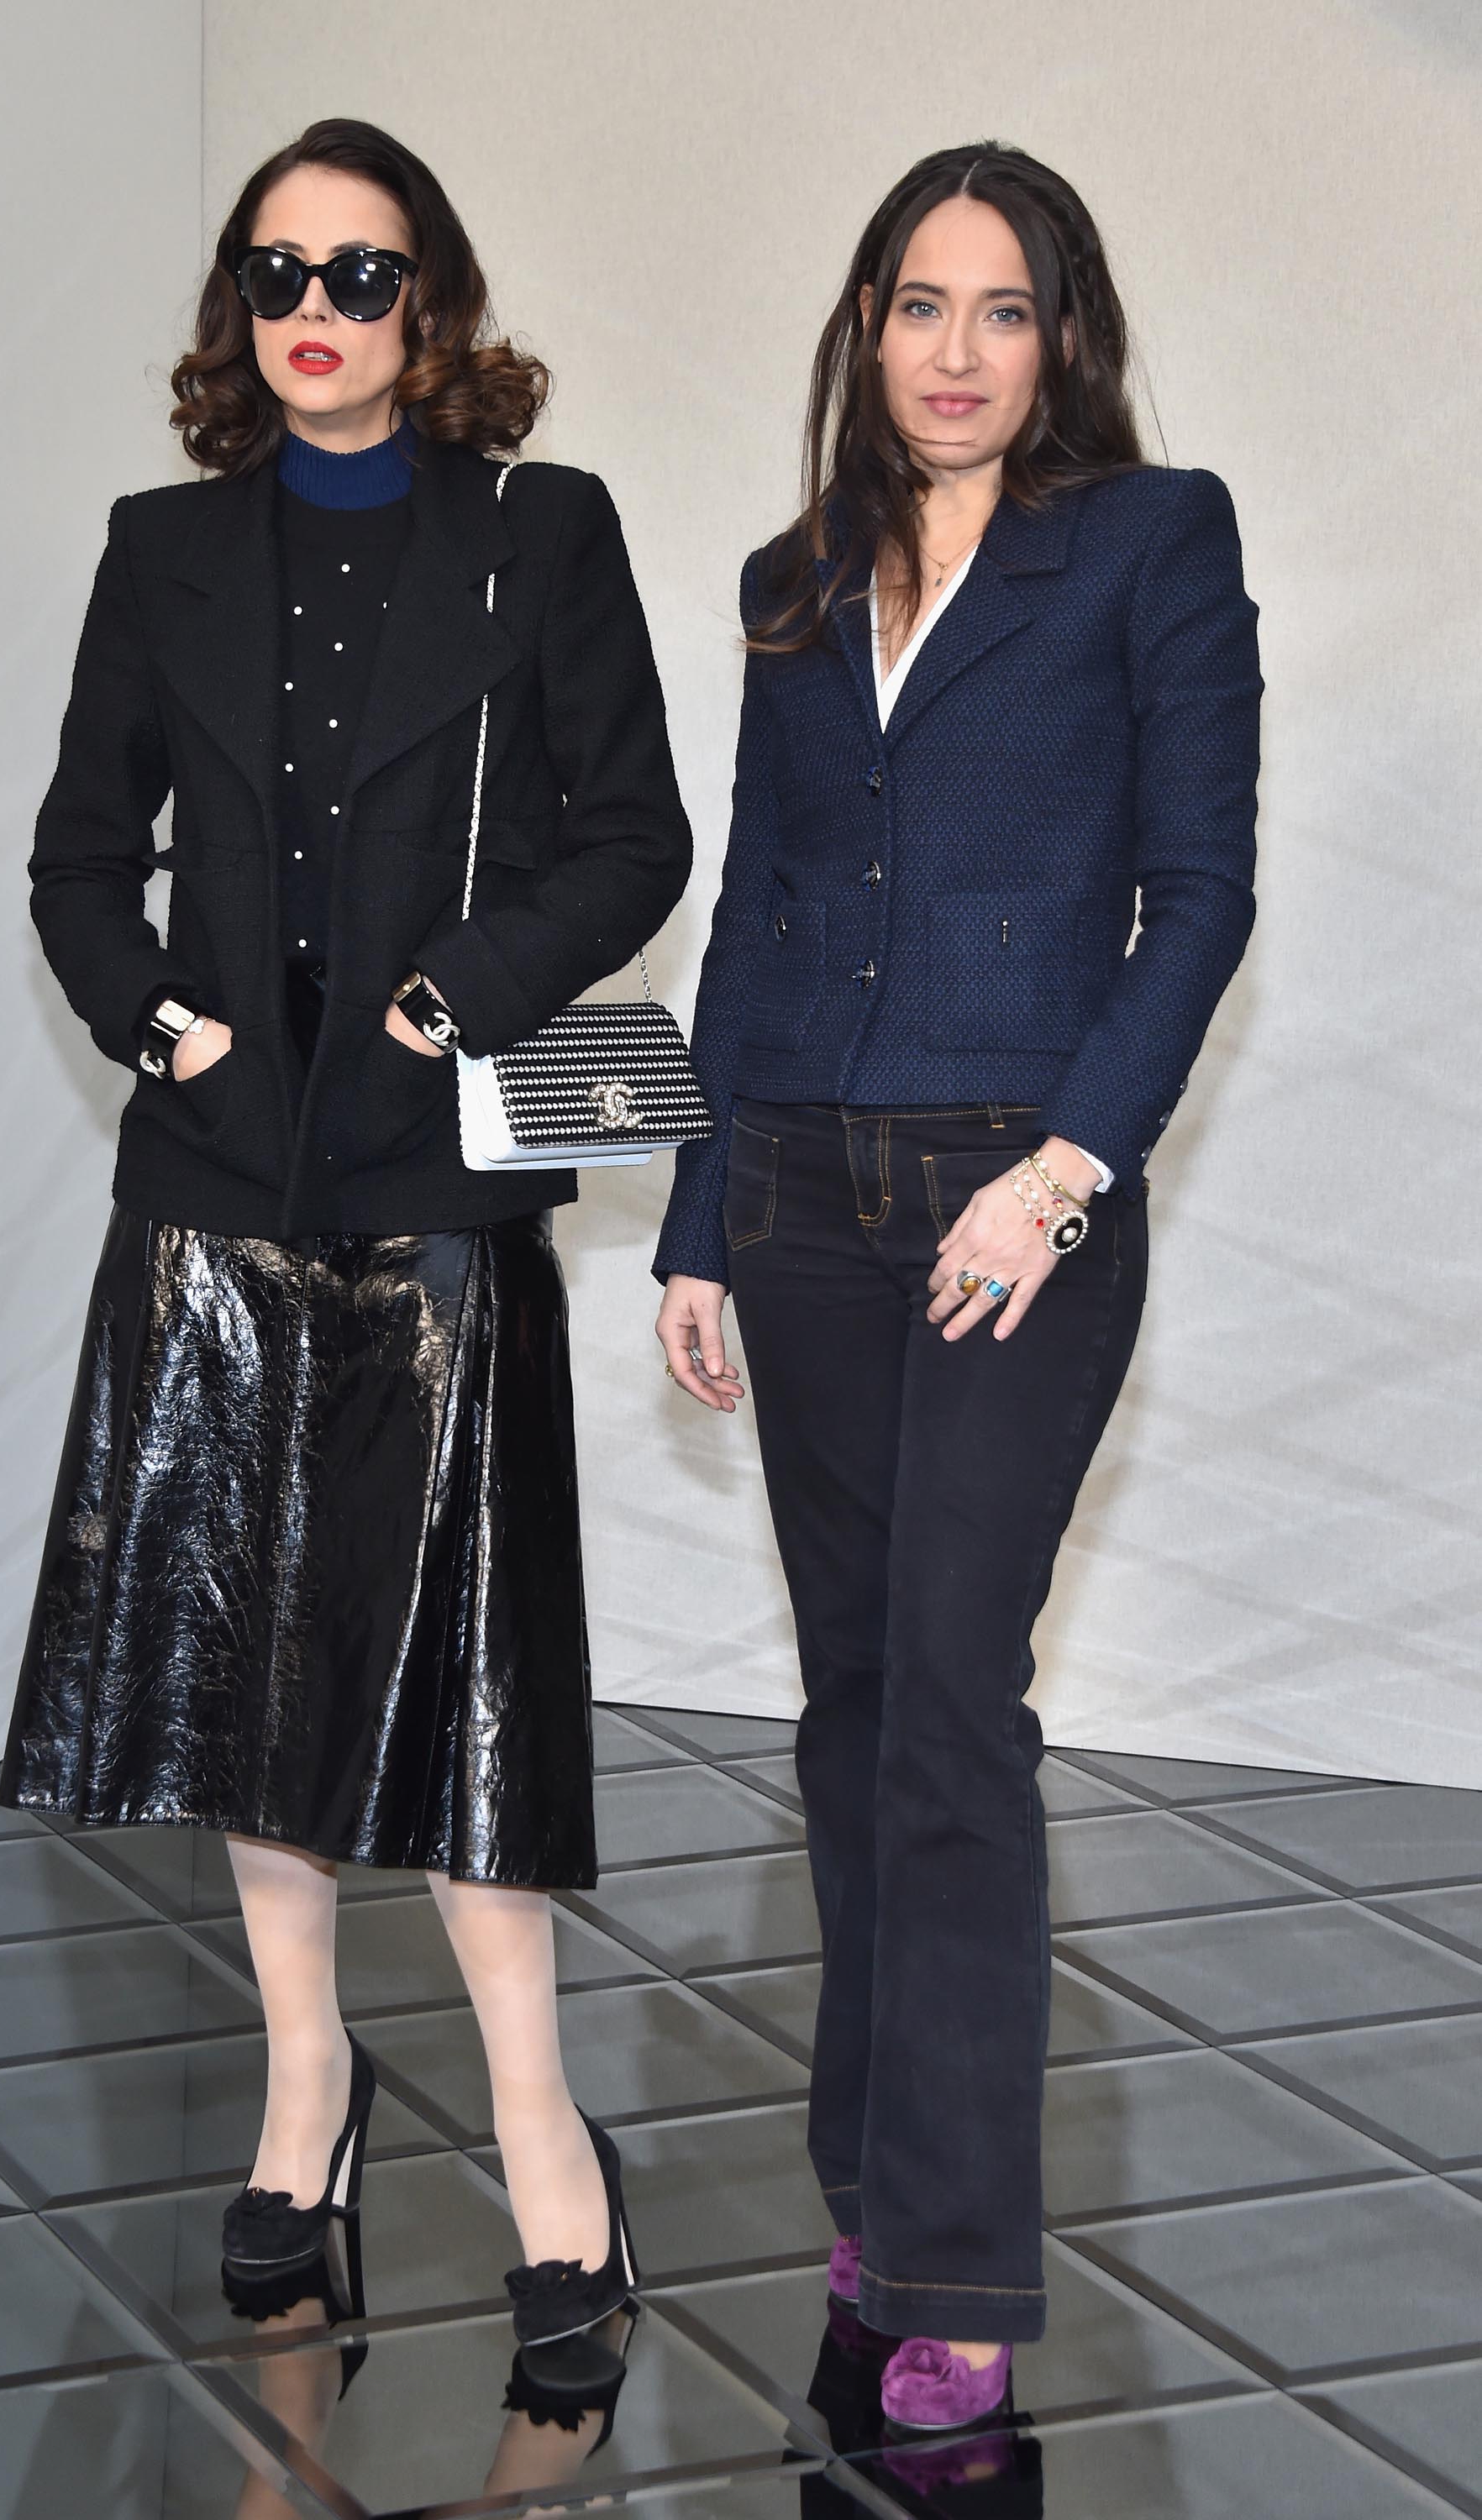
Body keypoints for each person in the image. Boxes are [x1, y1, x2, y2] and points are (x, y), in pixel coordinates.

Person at [0, 118, 688, 2341]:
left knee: (463, 1689)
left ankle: (540, 2122)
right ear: (242, 305)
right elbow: (80, 857)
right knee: (242, 1674)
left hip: (431, 1178)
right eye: (279, 270)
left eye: (364, 273)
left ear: (437, 303)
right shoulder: (162, 548)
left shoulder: (539, 533)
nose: (318, 309)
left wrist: (461, 990)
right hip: (216, 1183)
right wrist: (153, 1023)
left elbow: (634, 834)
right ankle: (305, 2086)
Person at [654, 141, 1259, 2428]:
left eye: (1005, 309)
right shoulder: (791, 583)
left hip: (1015, 1212)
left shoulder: (1150, 543)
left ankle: (969, 2281)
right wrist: (699, 1217)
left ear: (1063, 337)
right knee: (845, 1709)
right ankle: (874, 2179)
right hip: (799, 1193)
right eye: (922, 303)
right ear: (868, 327)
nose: (958, 349)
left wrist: (1067, 1172)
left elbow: (1197, 893)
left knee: (950, 1721)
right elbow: (752, 918)